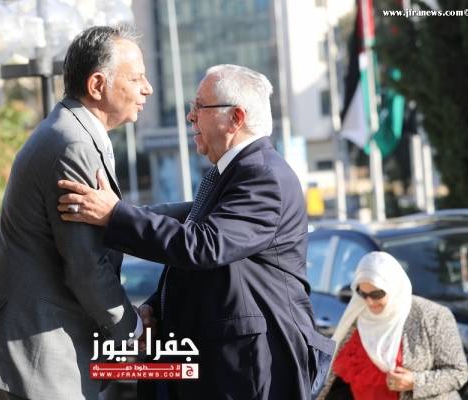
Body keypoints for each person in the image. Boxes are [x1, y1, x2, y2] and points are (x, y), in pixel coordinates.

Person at [56, 64, 335, 400]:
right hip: (224, 367)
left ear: (236, 118)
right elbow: (199, 265)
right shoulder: (232, 173)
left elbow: (203, 246)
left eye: (199, 106)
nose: (190, 117)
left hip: (253, 369)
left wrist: (114, 215)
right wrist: (154, 309)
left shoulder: (263, 176)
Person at [0, 25, 153, 400]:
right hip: (37, 352)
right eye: (136, 78)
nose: (147, 89)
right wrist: (132, 327)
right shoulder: (73, 144)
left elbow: (110, 216)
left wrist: (195, 212)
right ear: (97, 85)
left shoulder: (72, 130)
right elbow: (85, 264)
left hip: (36, 344)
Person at [317, 251, 468, 400]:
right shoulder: (357, 317)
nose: (369, 301)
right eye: (363, 293)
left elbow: (459, 372)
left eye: (376, 294)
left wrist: (415, 382)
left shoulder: (433, 316)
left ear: (393, 287)